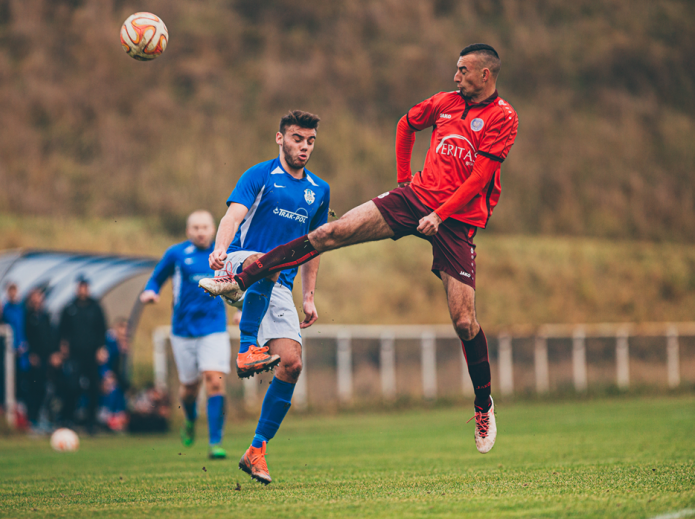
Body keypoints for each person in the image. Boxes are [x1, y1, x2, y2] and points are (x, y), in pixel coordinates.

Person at [201, 45, 519, 455]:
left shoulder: (504, 117)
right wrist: (405, 181)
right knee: (332, 231)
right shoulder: (445, 103)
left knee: (464, 321)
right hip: (416, 199)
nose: (455, 77)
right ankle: (239, 278)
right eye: (455, 70)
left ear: (486, 75)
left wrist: (440, 214)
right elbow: (406, 124)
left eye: (463, 71)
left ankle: (482, 404)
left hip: (458, 220)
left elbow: (480, 177)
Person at [201, 110, 330, 485]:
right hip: (240, 265)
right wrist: (220, 250)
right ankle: (245, 348)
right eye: (296, 139)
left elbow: (314, 246)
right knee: (268, 259)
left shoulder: (319, 190)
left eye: (309, 141)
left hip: (276, 286)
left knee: (291, 363)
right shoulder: (258, 175)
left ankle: (256, 449)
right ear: (280, 138)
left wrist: (308, 295)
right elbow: (233, 215)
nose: (303, 147)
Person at [140, 210, 231, 459]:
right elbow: (156, 278)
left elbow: (240, 284)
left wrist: (242, 310)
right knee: (189, 389)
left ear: (213, 230)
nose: (200, 232)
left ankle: (215, 442)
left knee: (214, 381)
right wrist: (151, 292)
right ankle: (190, 418)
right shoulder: (176, 254)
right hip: (183, 330)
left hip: (213, 328)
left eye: (205, 227)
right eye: (195, 228)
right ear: (187, 231)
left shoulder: (224, 255)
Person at [58, 275, 107, 433]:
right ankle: (68, 419)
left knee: (93, 388)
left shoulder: (96, 307)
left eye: (85, 287)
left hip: (92, 355)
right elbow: (62, 330)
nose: (83, 290)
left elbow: (102, 330)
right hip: (74, 355)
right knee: (72, 386)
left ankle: (91, 422)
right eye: (81, 287)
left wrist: (101, 348)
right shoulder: (69, 307)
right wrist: (63, 347)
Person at [24, 288, 53, 430]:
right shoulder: (27, 316)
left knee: (44, 389)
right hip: (33, 361)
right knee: (33, 389)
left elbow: (50, 337)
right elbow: (25, 337)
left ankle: (41, 418)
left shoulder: (45, 316)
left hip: (45, 360)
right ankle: (32, 420)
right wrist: (30, 354)